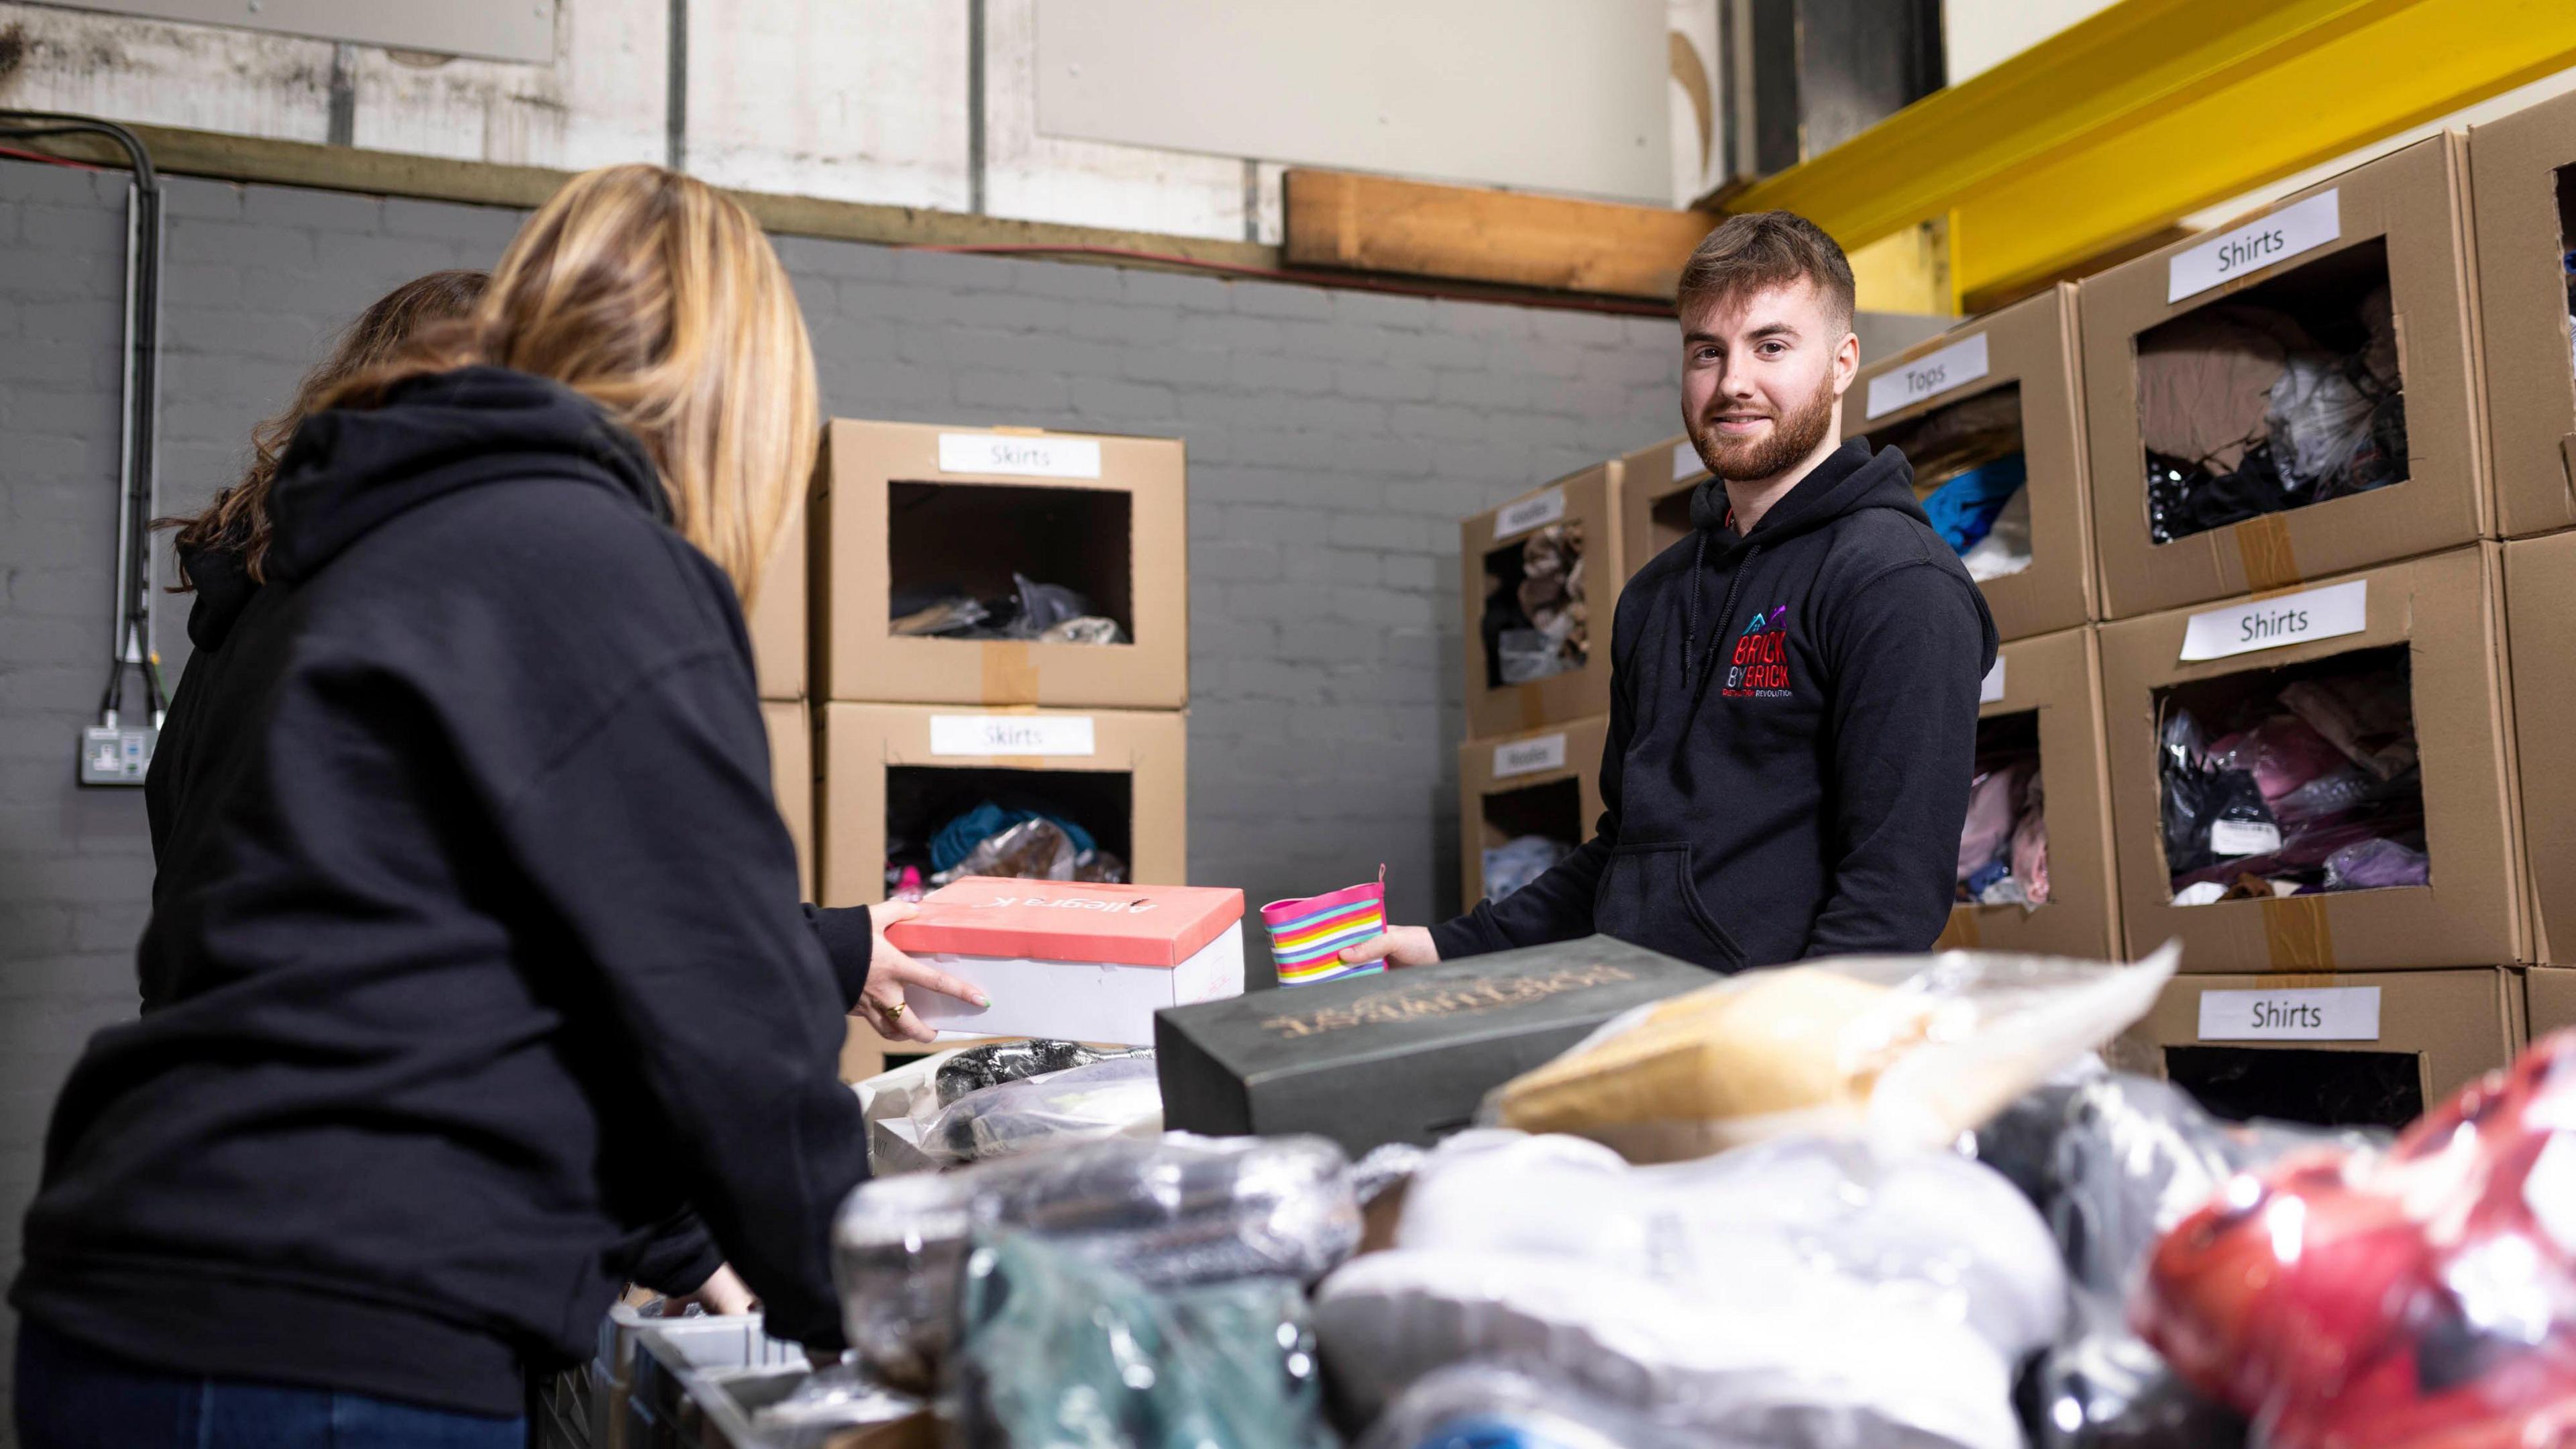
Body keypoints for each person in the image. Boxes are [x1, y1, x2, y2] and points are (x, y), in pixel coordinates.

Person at [13, 165, 977, 1448]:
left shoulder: (345, 567)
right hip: (340, 1329)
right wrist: (898, 1325)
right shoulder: (594, 559)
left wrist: (688, 1238)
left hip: (139, 1293)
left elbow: (516, 968)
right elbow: (717, 999)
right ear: (736, 400)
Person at [1350, 211, 1997, 973]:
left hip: (1768, 1060)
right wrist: (1449, 945)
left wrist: (1781, 1052)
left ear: (1844, 361)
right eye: (1706, 352)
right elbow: (1627, 856)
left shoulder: (1896, 583)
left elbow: (1891, 899)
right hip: (1635, 1032)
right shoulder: (1657, 596)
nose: (1733, 384)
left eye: (1772, 346)